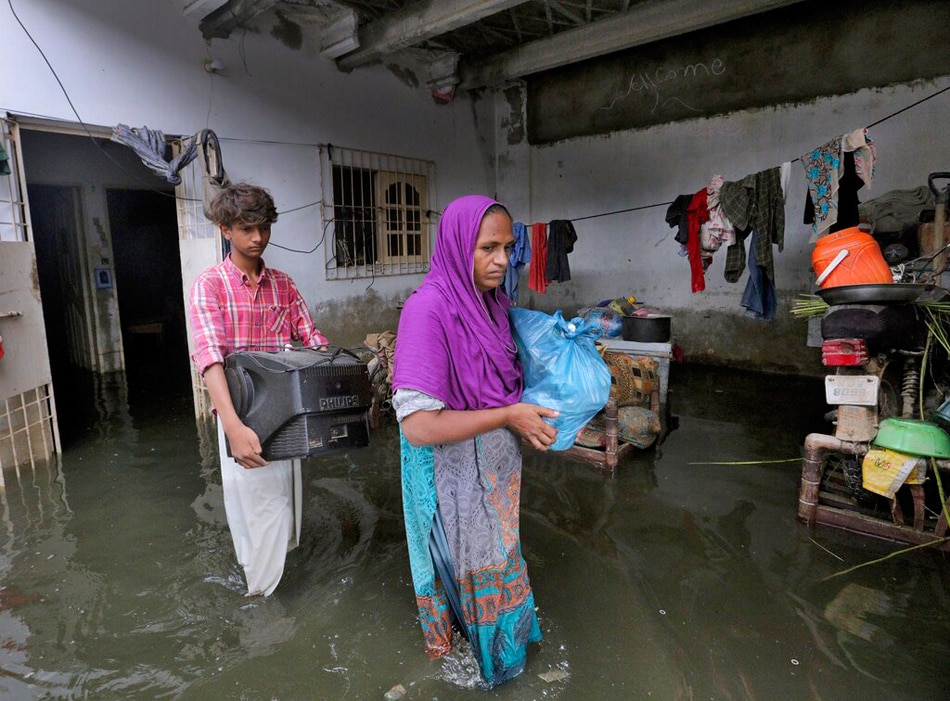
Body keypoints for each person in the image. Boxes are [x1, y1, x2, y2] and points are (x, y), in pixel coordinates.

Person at [391, 195, 560, 686]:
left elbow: (504, 381)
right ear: (458, 245)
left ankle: (504, 661)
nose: (503, 261)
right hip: (452, 478)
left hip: (495, 474)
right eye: (488, 248)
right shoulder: (428, 311)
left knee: (500, 563)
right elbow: (418, 426)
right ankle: (484, 674)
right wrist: (509, 414)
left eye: (508, 247)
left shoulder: (492, 303)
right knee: (466, 577)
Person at [187, 182, 328, 597]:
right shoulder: (209, 285)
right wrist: (231, 426)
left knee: (286, 506)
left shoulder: (282, 284)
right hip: (243, 414)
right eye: (247, 228)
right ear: (225, 229)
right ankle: (263, 602)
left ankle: (272, 582)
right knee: (263, 510)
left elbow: (312, 339)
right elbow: (210, 359)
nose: (258, 238)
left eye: (263, 227)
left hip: (288, 413)